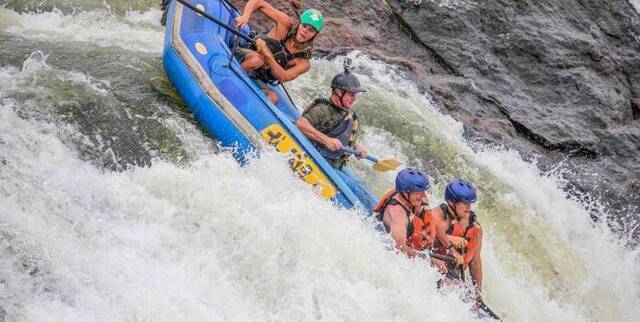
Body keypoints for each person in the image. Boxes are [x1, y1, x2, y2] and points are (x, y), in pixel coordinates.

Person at [234, 0, 324, 103]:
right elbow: (258, 2)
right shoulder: (285, 23)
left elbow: (283, 77)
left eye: (311, 30)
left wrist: (267, 55)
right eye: (304, 26)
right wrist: (245, 17)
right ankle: (230, 81)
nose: (305, 31)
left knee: (273, 97)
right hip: (245, 55)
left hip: (258, 77)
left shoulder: (303, 62)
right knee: (257, 60)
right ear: (299, 23)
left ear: (315, 34)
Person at [374, 169, 466, 262]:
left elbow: (431, 224)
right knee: (446, 276)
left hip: (423, 246)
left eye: (423, 191)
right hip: (405, 256)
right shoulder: (397, 213)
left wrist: (450, 247)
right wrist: (430, 261)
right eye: (418, 192)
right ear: (405, 192)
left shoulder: (419, 199)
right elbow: (399, 248)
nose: (422, 196)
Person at [295, 61, 368, 169]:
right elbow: (300, 123)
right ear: (338, 92)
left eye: (355, 95)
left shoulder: (347, 113)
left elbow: (337, 135)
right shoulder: (323, 109)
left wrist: (356, 146)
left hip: (335, 165)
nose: (354, 99)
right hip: (316, 160)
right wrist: (326, 140)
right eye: (351, 94)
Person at [431, 179, 484, 298]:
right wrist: (448, 238)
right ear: (451, 202)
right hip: (433, 269)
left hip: (454, 276)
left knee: (462, 291)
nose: (468, 207)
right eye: (464, 203)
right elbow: (421, 240)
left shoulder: (476, 228)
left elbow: (475, 263)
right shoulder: (436, 217)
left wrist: (478, 295)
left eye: (470, 203)